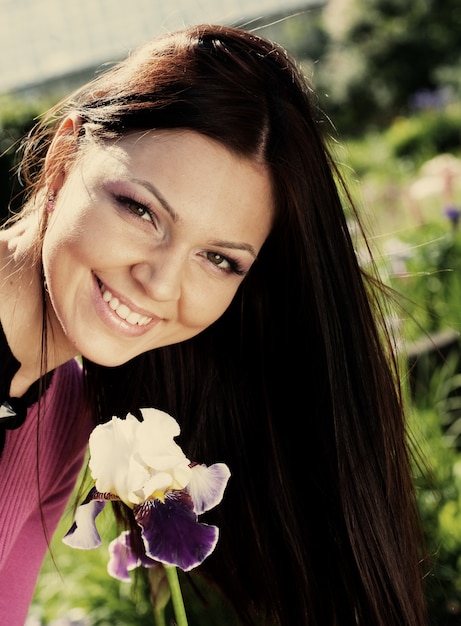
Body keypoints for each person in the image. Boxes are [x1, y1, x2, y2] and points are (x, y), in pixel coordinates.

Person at [0, 23, 428, 626]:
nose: (162, 284)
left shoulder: (66, 405)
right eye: (141, 210)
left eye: (219, 259)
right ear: (62, 161)